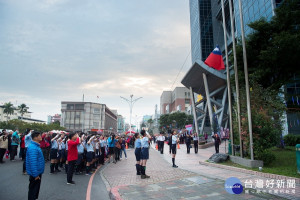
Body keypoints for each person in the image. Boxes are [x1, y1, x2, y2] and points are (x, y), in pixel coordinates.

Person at [26, 131, 44, 200]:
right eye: (39, 136)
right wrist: (36, 174)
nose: (41, 137)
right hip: (35, 173)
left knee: (35, 189)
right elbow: (32, 162)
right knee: (33, 189)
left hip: (37, 172)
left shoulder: (36, 146)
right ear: (35, 137)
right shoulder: (33, 148)